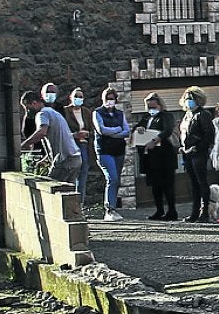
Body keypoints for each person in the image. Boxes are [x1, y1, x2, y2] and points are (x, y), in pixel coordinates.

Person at [19, 91, 81, 186]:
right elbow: (59, 138)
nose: (27, 111)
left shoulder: (42, 114)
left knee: (51, 188)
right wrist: (46, 159)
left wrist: (24, 145)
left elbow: (42, 132)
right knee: (67, 193)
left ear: (34, 103)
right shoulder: (53, 113)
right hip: (75, 158)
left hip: (65, 161)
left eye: (27, 107)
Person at [133, 91, 179, 221]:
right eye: (149, 107)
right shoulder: (146, 117)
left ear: (160, 105)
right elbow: (137, 127)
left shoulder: (166, 116)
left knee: (168, 185)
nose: (151, 110)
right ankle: (159, 210)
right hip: (151, 158)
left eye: (153, 107)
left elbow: (168, 129)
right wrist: (139, 128)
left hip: (165, 156)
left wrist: (155, 140)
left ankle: (171, 211)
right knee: (155, 186)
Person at [177, 86, 215, 222]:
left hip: (198, 153)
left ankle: (204, 212)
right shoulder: (187, 116)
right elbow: (183, 133)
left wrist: (197, 148)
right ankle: (194, 212)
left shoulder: (203, 115)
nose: (189, 101)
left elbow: (209, 135)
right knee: (193, 184)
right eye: (187, 99)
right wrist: (182, 147)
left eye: (191, 99)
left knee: (201, 182)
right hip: (187, 153)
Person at [93, 87, 130, 222]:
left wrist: (114, 133)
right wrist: (117, 130)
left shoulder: (120, 114)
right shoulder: (97, 113)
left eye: (112, 98)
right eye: (107, 99)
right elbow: (101, 130)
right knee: (112, 178)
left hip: (118, 151)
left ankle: (113, 207)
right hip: (104, 151)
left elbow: (127, 131)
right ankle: (109, 209)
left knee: (116, 180)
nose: (109, 101)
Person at [61, 86, 94, 202]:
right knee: (71, 172)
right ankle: (70, 200)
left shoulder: (86, 112)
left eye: (80, 97)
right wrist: (74, 135)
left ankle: (80, 202)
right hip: (71, 145)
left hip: (84, 145)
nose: (78, 99)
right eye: (76, 96)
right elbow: (62, 130)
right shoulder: (65, 111)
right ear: (70, 97)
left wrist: (87, 134)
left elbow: (93, 130)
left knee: (83, 173)